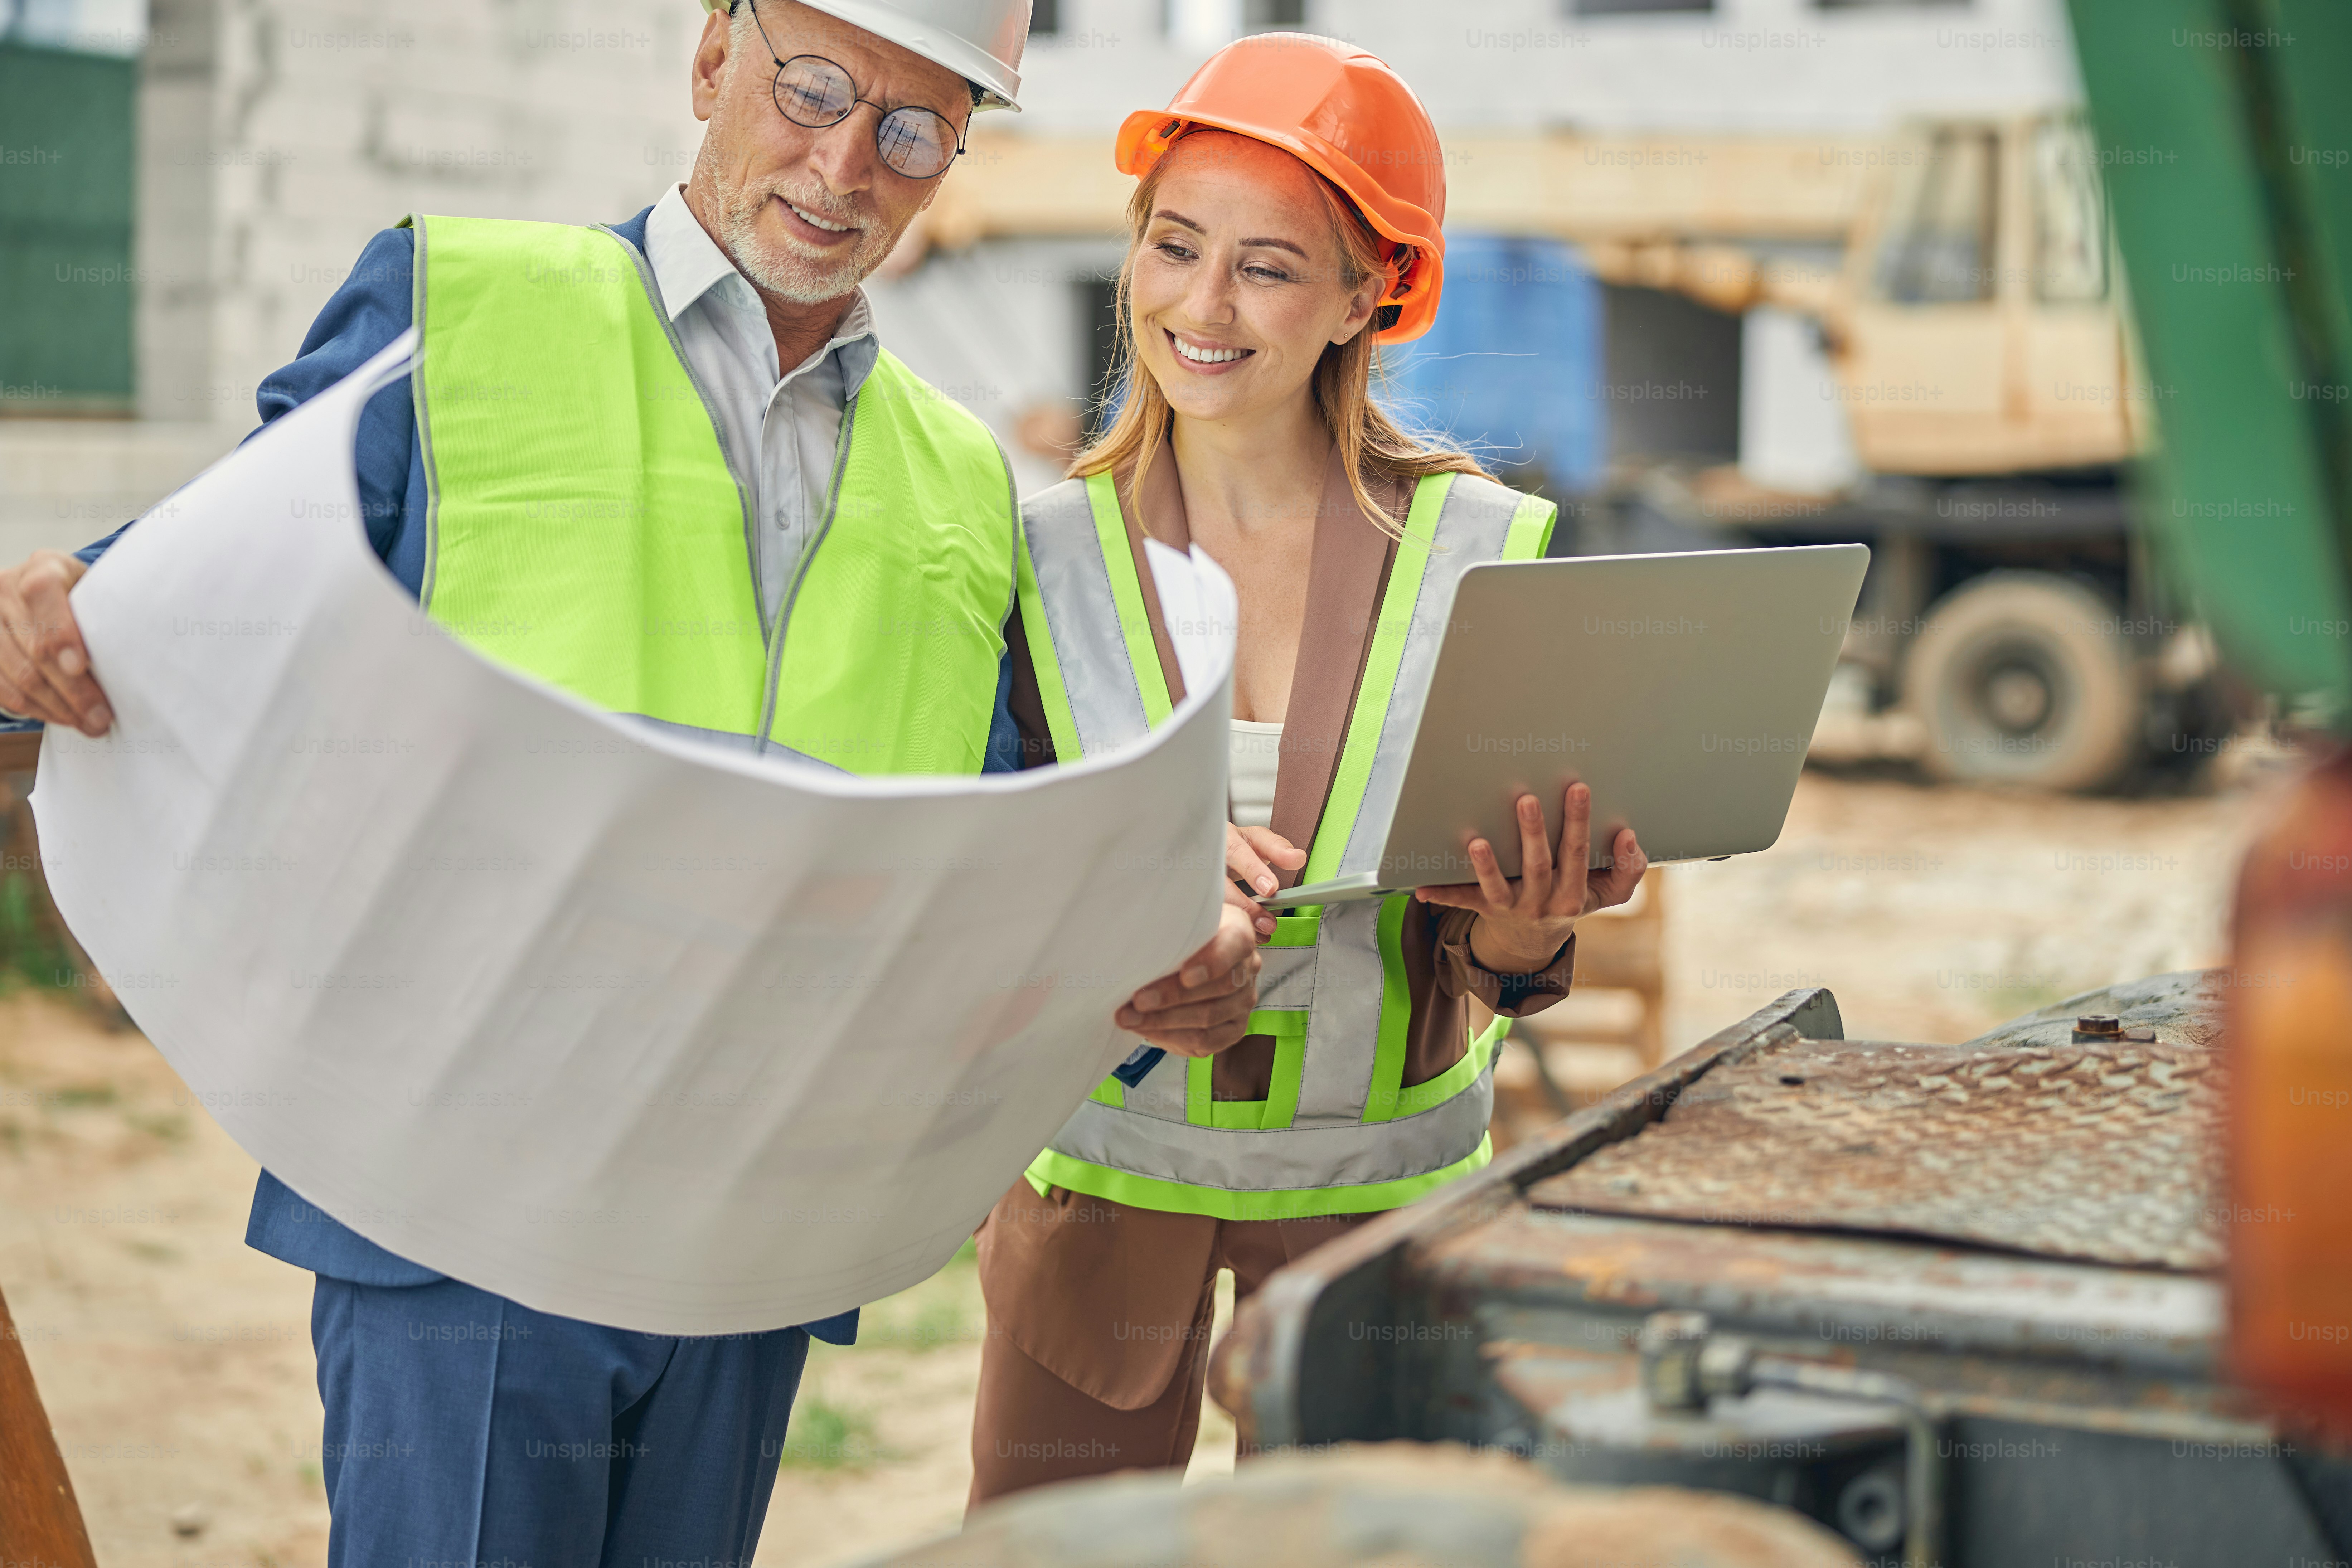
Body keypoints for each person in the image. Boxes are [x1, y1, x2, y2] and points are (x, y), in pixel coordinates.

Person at [0, 2, 1258, 1562]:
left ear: (955, 158)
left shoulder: (963, 486)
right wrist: (40, 619)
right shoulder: (461, 310)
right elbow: (203, 591)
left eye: (913, 127)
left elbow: (1002, 861)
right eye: (813, 88)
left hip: (746, 1233)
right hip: (457, 1208)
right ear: (712, 61)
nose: (844, 160)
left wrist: (1151, 970)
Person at [970, 34, 1650, 1504]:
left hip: (1377, 1214)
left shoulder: (1481, 557)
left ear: (1365, 297)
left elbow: (1484, 949)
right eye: (1173, 247)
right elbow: (970, 888)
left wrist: (1532, 922)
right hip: (1102, 1201)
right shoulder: (1030, 559)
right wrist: (1105, 913)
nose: (1200, 307)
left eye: (1268, 267)